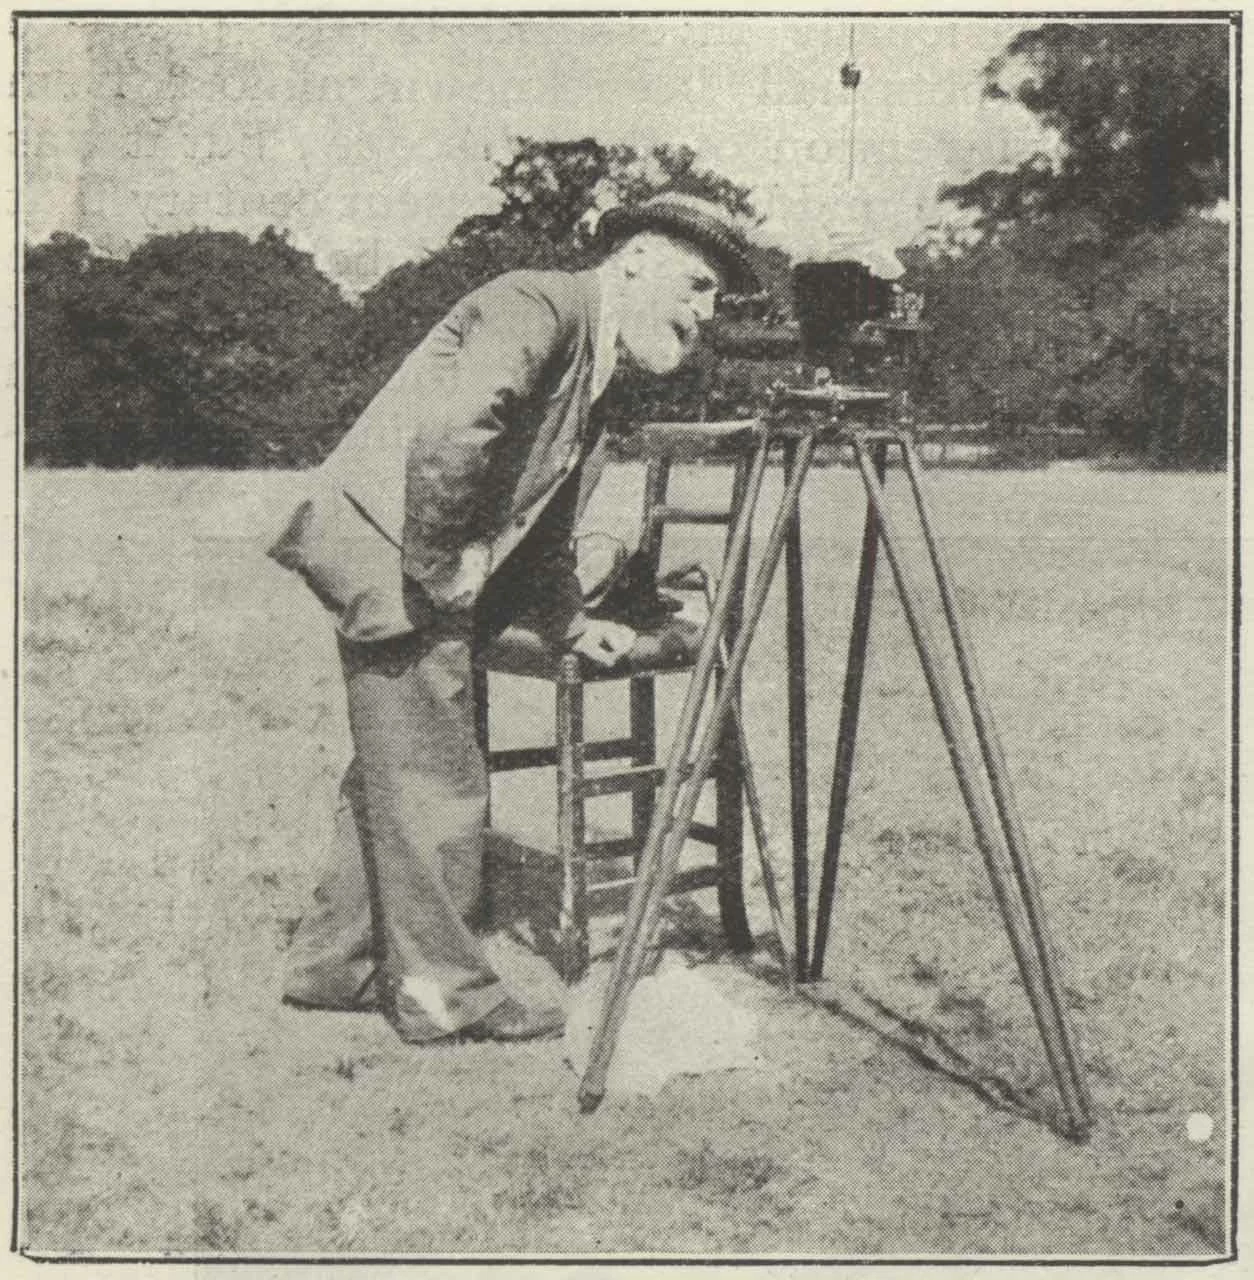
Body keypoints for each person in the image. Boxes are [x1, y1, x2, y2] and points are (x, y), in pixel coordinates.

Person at [267, 193, 760, 1044]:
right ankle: (444, 996)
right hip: (392, 553)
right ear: (636, 257)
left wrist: (567, 623)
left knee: (392, 765)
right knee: (436, 778)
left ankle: (330, 966)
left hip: (406, 551)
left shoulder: (600, 362)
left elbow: (547, 521)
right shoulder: (539, 303)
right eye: (698, 284)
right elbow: (457, 433)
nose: (704, 315)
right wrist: (439, 566)